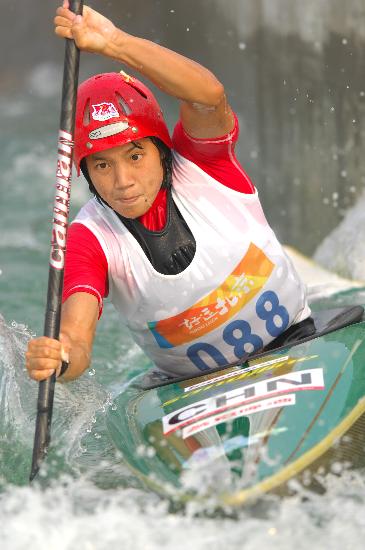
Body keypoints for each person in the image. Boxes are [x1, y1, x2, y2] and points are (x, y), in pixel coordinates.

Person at [26, 1, 311, 383]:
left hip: (299, 339)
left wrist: (114, 41)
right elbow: (77, 339)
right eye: (103, 165)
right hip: (188, 389)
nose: (123, 180)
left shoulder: (204, 164)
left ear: (162, 150)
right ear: (87, 174)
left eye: (135, 155)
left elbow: (208, 95)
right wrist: (60, 357)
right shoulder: (88, 238)